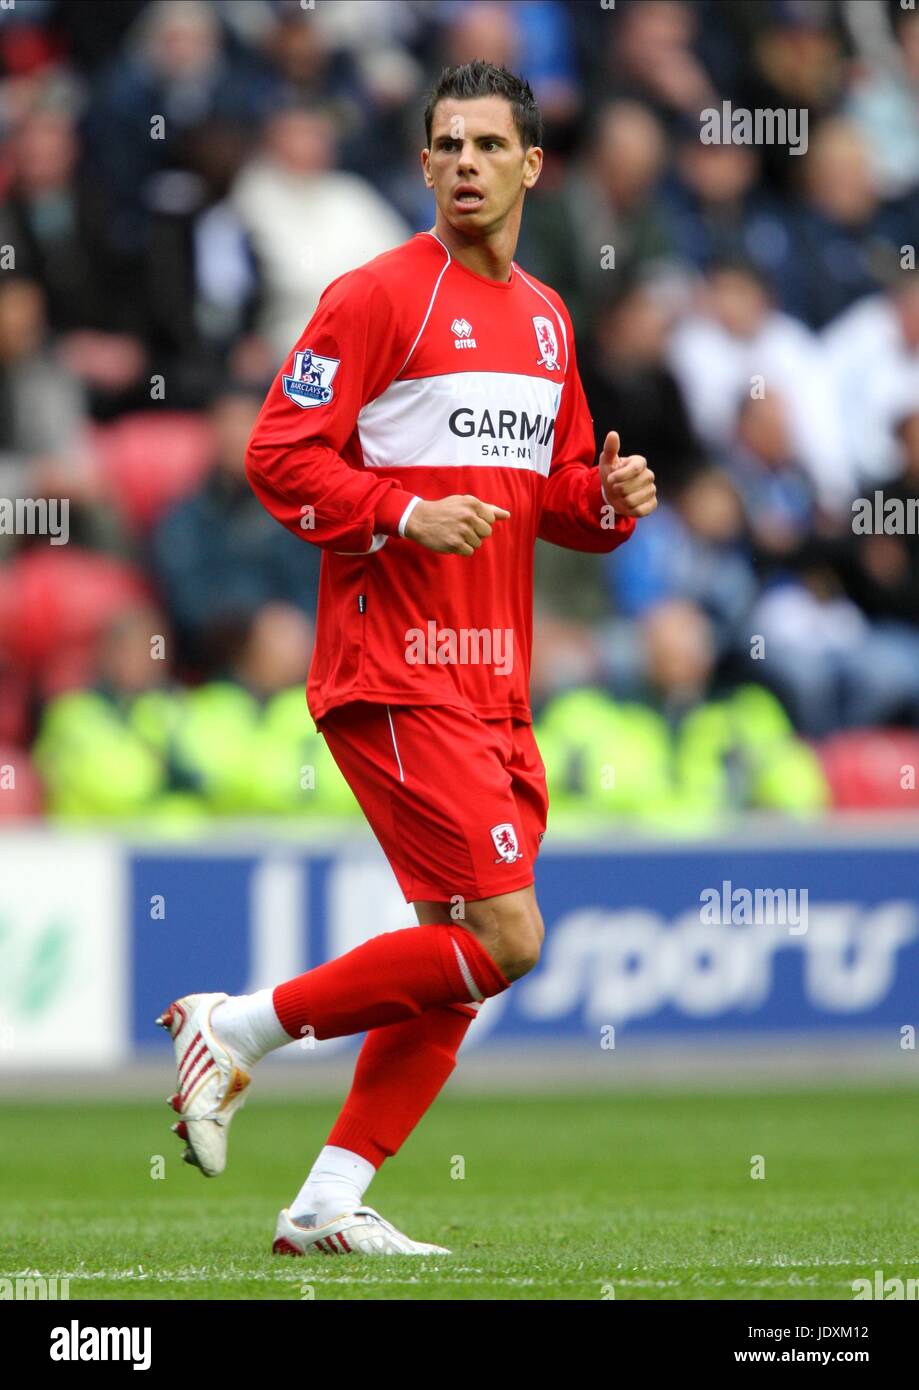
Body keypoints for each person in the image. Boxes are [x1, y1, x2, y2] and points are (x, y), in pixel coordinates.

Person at [157, 60, 656, 1258]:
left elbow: (558, 498)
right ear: (425, 164)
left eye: (490, 145)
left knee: (459, 963)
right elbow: (280, 453)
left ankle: (327, 1201)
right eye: (447, 145)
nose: (467, 164)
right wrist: (397, 512)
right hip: (395, 664)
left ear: (533, 166)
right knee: (508, 938)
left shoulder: (546, 318)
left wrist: (615, 497)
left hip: (493, 674)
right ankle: (233, 1030)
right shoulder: (379, 297)